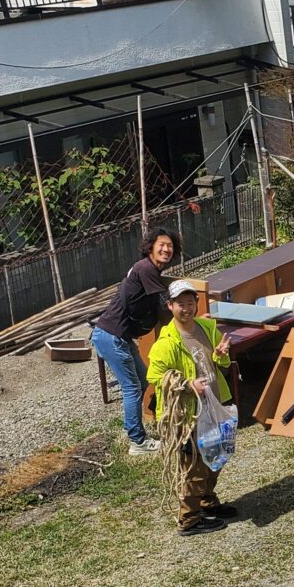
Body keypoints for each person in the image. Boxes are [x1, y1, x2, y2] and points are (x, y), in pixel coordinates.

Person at [147, 279, 237, 535]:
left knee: (217, 455)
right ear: (170, 306)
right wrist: (187, 384)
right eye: (180, 304)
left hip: (216, 404)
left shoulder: (208, 327)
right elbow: (155, 376)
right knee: (195, 466)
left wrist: (220, 353)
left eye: (190, 303)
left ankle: (206, 502)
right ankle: (189, 519)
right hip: (189, 414)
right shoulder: (166, 342)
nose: (186, 308)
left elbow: (222, 362)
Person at [92, 228, 179, 455]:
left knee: (142, 380)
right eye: (162, 244)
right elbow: (163, 302)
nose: (166, 249)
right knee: (131, 388)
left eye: (170, 246)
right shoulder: (146, 268)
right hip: (111, 336)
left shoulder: (147, 270)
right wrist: (188, 320)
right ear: (150, 247)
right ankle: (137, 441)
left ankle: (134, 429)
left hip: (118, 336)